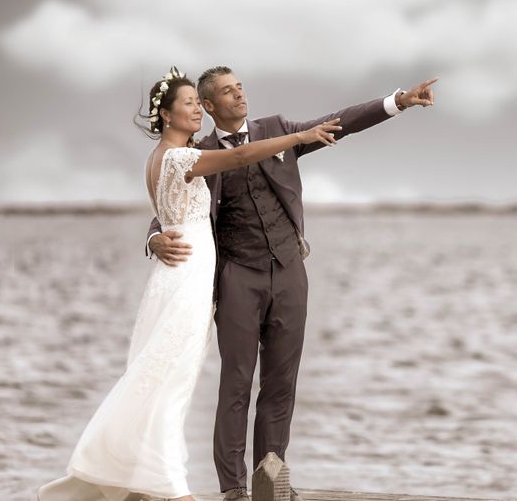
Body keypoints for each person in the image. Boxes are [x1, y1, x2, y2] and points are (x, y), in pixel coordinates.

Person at [37, 67, 341, 501]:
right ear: (165, 113)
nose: (197, 109)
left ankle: (137, 477)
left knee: (161, 377)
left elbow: (171, 211)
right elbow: (237, 159)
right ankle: (172, 486)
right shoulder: (182, 157)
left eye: (199, 104)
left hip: (186, 279)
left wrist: (156, 237)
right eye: (189, 104)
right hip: (187, 282)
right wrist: (299, 137)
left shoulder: (162, 158)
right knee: (172, 381)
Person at [146, 66, 437, 501]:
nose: (239, 95)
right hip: (236, 276)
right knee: (237, 382)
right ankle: (233, 489)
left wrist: (397, 102)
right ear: (208, 106)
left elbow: (341, 121)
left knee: (282, 379)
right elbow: (172, 203)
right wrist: (153, 238)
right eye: (227, 92)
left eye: (240, 87)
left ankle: (271, 475)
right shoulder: (200, 151)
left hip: (288, 273)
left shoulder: (278, 130)